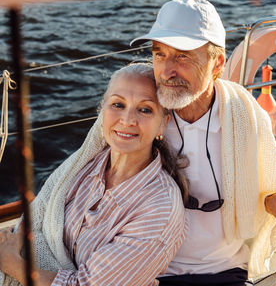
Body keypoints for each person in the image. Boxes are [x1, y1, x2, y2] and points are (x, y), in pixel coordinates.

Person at [130, 0, 276, 286]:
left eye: (182, 56)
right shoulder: (136, 113)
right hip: (148, 267)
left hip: (224, 270)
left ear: (217, 64)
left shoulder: (248, 117)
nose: (166, 71)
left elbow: (266, 193)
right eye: (159, 54)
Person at [0, 63, 187, 286]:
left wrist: (10, 262)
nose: (127, 120)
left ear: (162, 125)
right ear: (102, 110)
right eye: (118, 104)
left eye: (145, 109)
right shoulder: (86, 164)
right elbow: (40, 213)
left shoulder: (160, 209)